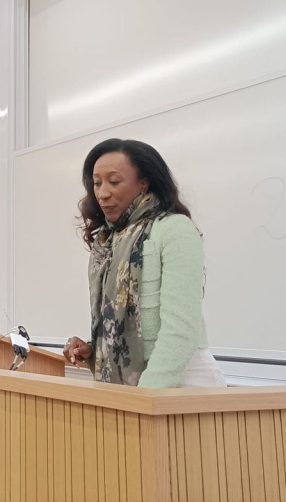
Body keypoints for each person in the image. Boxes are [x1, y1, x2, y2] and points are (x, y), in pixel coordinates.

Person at [62, 139, 225, 388]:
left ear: (144, 182)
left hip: (182, 380)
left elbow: (180, 331)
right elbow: (124, 330)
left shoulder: (174, 229)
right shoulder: (109, 240)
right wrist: (93, 349)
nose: (102, 193)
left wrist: (142, 397)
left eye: (114, 181)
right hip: (133, 388)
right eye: (97, 183)